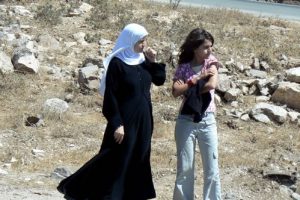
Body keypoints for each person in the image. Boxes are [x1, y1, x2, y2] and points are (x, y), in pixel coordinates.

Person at [57, 23, 166, 200]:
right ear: (130, 41)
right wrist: (117, 124)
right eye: (141, 41)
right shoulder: (118, 63)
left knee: (140, 155)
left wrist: (153, 61)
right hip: (125, 120)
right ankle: (77, 188)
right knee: (113, 157)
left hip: (145, 119)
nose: (144, 44)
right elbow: (111, 98)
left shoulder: (144, 61)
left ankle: (133, 195)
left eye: (145, 40)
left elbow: (160, 80)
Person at [172, 28, 222, 200]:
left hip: (207, 120)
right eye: (206, 47)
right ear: (195, 48)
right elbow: (175, 91)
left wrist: (189, 86)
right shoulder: (184, 67)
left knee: (212, 169)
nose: (210, 51)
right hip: (185, 120)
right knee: (185, 169)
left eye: (211, 47)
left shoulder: (212, 62)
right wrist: (198, 78)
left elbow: (211, 85)